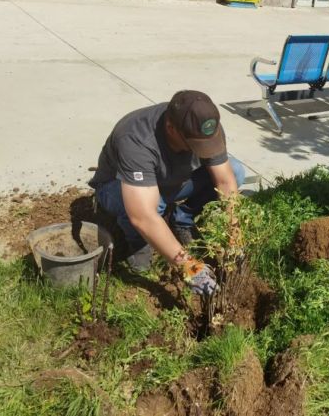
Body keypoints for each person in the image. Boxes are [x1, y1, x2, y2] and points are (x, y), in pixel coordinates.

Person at [89, 90, 245, 295]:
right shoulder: (136, 138)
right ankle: (138, 245)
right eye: (194, 145)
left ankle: (183, 220)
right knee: (153, 206)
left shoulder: (204, 125)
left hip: (169, 182)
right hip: (116, 188)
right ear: (171, 128)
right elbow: (143, 216)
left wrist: (234, 236)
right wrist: (190, 267)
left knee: (235, 170)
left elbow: (225, 181)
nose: (200, 150)